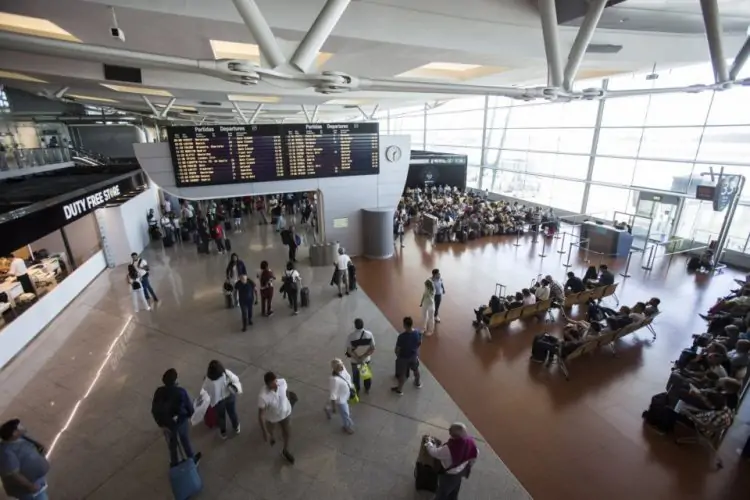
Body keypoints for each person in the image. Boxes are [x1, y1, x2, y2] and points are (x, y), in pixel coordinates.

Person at [151, 368, 201, 467]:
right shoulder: (180, 392)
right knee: (184, 439)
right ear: (175, 381)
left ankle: (174, 463)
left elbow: (154, 409)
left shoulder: (159, 391)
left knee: (172, 444)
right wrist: (191, 415)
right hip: (180, 422)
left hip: (166, 424)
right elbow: (189, 408)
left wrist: (160, 423)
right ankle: (192, 459)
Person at [424, 422, 479, 500]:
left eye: (450, 431)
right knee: (455, 488)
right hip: (461, 470)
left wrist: (429, 443)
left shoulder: (448, 449)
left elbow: (434, 452)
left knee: (442, 492)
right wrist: (468, 465)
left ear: (453, 435)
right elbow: (475, 454)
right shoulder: (470, 442)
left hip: (449, 474)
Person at [0, 419, 50, 500]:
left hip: (37, 480)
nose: (22, 427)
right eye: (20, 427)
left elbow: (34, 445)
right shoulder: (7, 453)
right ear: (14, 433)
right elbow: (14, 475)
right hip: (30, 489)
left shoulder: (20, 437)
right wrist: (30, 486)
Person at [258, 371, 295, 464]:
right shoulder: (263, 396)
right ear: (267, 384)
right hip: (272, 418)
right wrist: (264, 432)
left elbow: (286, 392)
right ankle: (271, 436)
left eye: (276, 381)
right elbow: (261, 415)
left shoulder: (282, 382)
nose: (276, 384)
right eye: (273, 382)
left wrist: (287, 403)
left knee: (287, 433)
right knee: (270, 430)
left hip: (286, 414)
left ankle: (285, 450)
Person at [201, 360, 241, 440]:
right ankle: (236, 427)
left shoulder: (208, 380)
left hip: (218, 401)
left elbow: (205, 390)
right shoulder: (226, 373)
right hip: (229, 397)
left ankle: (223, 433)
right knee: (232, 412)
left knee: (221, 417)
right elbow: (236, 379)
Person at [392, 316, 422, 395]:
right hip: (413, 356)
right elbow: (419, 343)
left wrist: (398, 356)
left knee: (403, 374)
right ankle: (417, 383)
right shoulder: (417, 332)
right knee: (416, 370)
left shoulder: (402, 337)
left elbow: (397, 350)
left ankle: (399, 390)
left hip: (404, 357)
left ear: (404, 325)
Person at [346, 318, 376, 395]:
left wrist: (358, 359)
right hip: (365, 360)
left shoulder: (351, 336)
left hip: (355, 361)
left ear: (355, 326)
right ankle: (367, 389)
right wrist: (363, 357)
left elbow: (349, 351)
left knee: (356, 376)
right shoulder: (369, 334)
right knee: (366, 375)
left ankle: (357, 389)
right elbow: (372, 348)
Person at [325, 359, 355, 434]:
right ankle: (346, 426)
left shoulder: (343, 369)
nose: (341, 366)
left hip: (346, 394)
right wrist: (334, 405)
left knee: (341, 411)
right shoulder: (334, 379)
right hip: (341, 400)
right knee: (345, 413)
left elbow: (347, 378)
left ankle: (328, 410)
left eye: (341, 364)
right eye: (338, 366)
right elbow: (333, 394)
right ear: (334, 368)